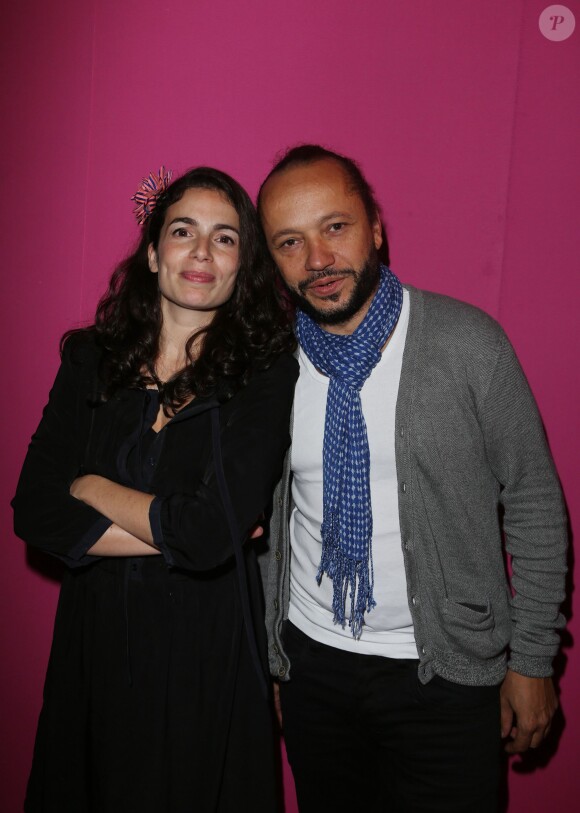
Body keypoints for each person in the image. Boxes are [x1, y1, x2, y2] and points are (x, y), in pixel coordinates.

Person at [257, 144, 567, 813]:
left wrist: (533, 658)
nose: (317, 261)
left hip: (448, 675)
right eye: (290, 241)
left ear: (374, 227)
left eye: (334, 227)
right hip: (315, 668)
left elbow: (536, 502)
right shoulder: (272, 369)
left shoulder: (466, 344)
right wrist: (275, 660)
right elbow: (266, 527)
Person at [12, 165, 298, 812]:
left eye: (225, 238)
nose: (201, 252)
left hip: (209, 650)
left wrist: (88, 485)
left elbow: (206, 536)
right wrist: (192, 530)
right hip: (98, 645)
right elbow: (33, 509)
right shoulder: (89, 357)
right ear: (151, 251)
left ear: (242, 263)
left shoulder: (267, 372)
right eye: (183, 231)